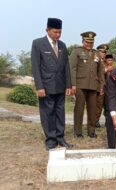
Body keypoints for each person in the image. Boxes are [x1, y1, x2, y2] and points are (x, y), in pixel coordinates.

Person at [31, 18, 73, 150]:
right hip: (46, 86)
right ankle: (50, 140)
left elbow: (66, 66)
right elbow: (36, 66)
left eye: (60, 32)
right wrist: (39, 86)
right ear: (47, 30)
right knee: (48, 113)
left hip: (60, 86)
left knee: (60, 112)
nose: (58, 35)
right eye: (55, 32)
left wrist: (68, 85)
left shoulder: (62, 45)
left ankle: (60, 137)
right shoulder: (38, 43)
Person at [69, 31, 104, 138]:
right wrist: (73, 85)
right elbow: (72, 69)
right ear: (83, 41)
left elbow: (101, 71)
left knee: (93, 109)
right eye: (87, 42)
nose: (89, 44)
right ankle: (78, 132)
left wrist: (102, 86)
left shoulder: (96, 53)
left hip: (93, 86)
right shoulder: (77, 52)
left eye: (91, 42)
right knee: (79, 109)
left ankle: (91, 131)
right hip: (80, 85)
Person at [95, 44, 109, 128]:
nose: (104, 53)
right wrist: (106, 69)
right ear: (98, 51)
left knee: (103, 105)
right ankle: (95, 121)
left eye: (105, 52)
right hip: (97, 86)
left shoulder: (105, 62)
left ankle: (104, 121)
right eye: (102, 52)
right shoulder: (95, 60)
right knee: (97, 105)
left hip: (105, 86)